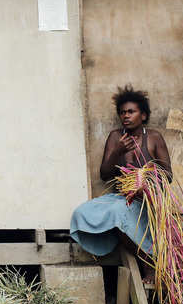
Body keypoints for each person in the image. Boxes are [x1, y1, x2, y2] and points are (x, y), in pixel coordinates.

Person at [70, 86, 172, 265]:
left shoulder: (154, 138)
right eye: (122, 112)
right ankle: (145, 259)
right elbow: (104, 174)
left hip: (146, 201)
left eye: (131, 112)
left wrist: (146, 185)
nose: (126, 116)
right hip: (121, 199)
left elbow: (168, 175)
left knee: (117, 213)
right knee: (81, 213)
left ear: (143, 115)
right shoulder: (115, 137)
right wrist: (117, 151)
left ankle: (148, 263)